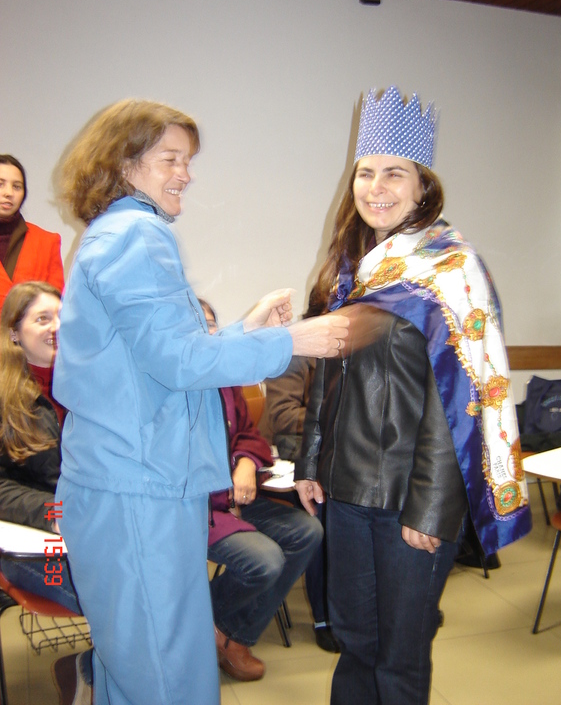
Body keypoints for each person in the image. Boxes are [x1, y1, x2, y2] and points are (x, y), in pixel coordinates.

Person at [52, 99, 349, 705]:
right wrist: (294, 340)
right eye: (170, 159)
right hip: (138, 484)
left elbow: (154, 360)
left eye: (186, 160)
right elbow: (179, 362)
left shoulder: (114, 234)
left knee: (139, 656)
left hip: (131, 478)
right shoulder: (137, 236)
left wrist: (245, 329)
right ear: (125, 163)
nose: (185, 174)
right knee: (164, 666)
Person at [295, 86, 532, 705]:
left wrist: (432, 509)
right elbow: (326, 372)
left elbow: (464, 401)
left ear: (423, 185)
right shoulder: (350, 266)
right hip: (346, 489)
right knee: (353, 641)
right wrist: (310, 463)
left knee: (399, 656)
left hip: (409, 497)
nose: (376, 187)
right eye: (365, 172)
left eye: (394, 173)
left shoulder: (452, 271)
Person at [199, 300, 323, 681]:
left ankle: (229, 633)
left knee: (308, 532)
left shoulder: (225, 381)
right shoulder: (171, 388)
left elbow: (249, 435)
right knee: (265, 560)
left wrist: (246, 464)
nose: (208, 332)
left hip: (236, 499)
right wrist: (226, 490)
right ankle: (201, 627)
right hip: (198, 510)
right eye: (196, 325)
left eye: (212, 324)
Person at [0, 281, 92, 705]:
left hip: (92, 526)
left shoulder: (86, 381)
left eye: (61, 316)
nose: (56, 326)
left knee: (147, 589)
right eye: (42, 318)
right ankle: (88, 673)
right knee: (113, 599)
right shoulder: (5, 397)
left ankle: (87, 670)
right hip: (38, 542)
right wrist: (54, 510)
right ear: (14, 333)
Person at [259, 349, 339, 653]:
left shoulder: (351, 352)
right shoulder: (297, 354)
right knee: (322, 508)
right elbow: (283, 415)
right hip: (287, 457)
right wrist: (338, 411)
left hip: (329, 453)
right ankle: (324, 617)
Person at [0, 155, 64, 309]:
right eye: (0, 184)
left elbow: (54, 306)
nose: (8, 193)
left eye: (17, 186)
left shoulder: (47, 242)